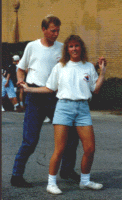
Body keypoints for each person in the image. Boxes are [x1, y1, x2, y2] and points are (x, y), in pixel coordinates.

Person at [21, 35, 106, 194]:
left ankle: (85, 181)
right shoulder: (60, 67)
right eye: (71, 46)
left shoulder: (88, 66)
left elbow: (95, 89)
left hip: (82, 109)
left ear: (81, 48)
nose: (74, 49)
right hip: (64, 108)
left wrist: (103, 72)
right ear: (67, 49)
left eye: (77, 46)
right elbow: (49, 88)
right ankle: (51, 183)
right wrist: (29, 89)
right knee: (60, 149)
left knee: (90, 148)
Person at [10, 16, 80, 188]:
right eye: (52, 30)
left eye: (58, 30)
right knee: (30, 139)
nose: (56, 34)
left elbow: (72, 69)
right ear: (43, 29)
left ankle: (67, 170)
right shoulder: (32, 47)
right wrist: (20, 81)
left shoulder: (62, 48)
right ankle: (16, 175)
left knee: (71, 136)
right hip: (35, 95)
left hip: (56, 98)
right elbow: (21, 68)